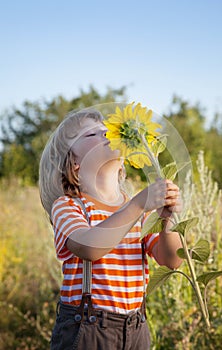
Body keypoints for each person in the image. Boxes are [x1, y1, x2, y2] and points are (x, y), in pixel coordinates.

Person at [39, 108, 183, 350]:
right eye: (91, 134)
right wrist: (139, 203)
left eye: (108, 129)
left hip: (137, 327)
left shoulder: (140, 211)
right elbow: (90, 247)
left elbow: (172, 260)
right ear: (74, 162)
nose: (107, 133)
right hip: (87, 331)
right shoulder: (68, 206)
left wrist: (168, 220)